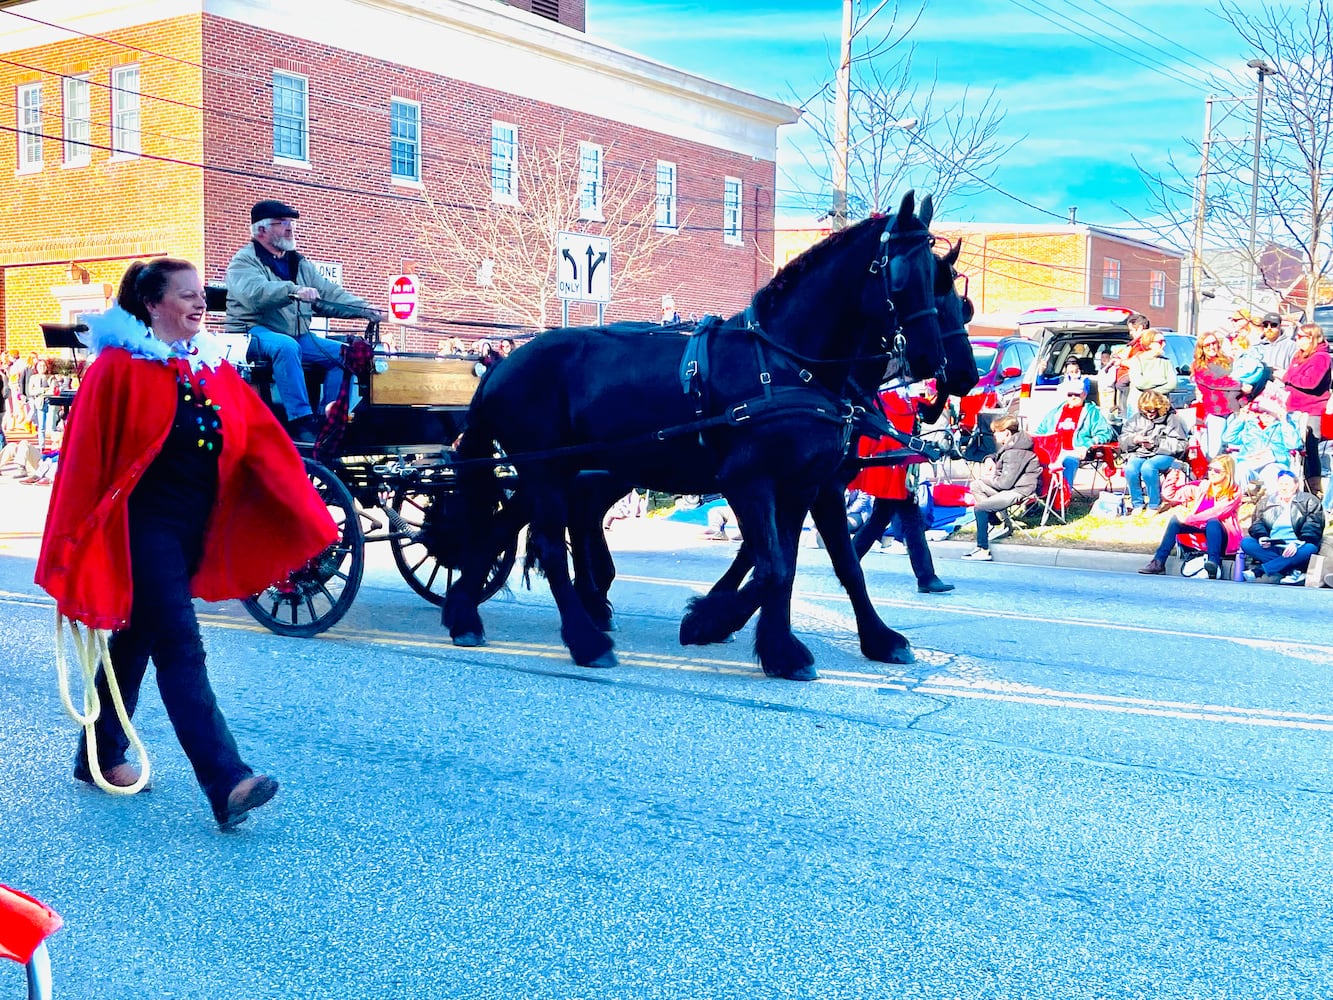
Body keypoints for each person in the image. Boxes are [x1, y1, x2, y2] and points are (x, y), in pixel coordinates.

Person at [36, 258, 339, 830]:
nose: (201, 304)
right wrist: (75, 542)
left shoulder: (210, 369)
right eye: (187, 296)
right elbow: (82, 461)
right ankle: (226, 779)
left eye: (203, 295)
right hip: (142, 528)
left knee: (139, 639)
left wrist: (302, 514)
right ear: (152, 304)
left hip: (195, 526)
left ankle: (97, 753)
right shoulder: (118, 368)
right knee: (180, 643)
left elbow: (263, 444)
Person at [225, 199, 382, 442]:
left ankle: (328, 417)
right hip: (251, 332)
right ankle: (300, 421)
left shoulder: (298, 263)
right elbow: (254, 293)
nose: (289, 228)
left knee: (344, 354)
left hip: (295, 335)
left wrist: (364, 309)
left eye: (290, 223)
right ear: (261, 230)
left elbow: (328, 294)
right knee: (286, 347)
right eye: (281, 223)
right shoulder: (243, 261)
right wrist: (292, 290)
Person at [847, 387, 953, 593]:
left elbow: (929, 416)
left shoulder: (906, 399)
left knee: (879, 521)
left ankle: (847, 561)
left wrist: (943, 391)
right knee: (911, 522)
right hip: (891, 467)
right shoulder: (884, 399)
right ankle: (926, 577)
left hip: (901, 465)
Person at [1138, 454, 1243, 579]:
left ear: (1227, 473)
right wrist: (1174, 473)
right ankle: (1158, 562)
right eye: (1210, 469)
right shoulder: (1202, 486)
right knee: (1175, 521)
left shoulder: (1234, 491)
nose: (1211, 473)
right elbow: (1171, 495)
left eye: (1217, 470)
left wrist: (1189, 519)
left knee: (1213, 521)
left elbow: (1218, 512)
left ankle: (1213, 563)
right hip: (1200, 527)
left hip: (1222, 533)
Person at [962, 415, 1041, 562]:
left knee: (980, 508)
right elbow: (999, 456)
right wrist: (989, 458)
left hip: (1019, 491)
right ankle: (1000, 524)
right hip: (1012, 487)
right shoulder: (1014, 444)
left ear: (1006, 432)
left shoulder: (1015, 452)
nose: (994, 435)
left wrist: (987, 478)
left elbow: (1005, 484)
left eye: (996, 431)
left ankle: (983, 549)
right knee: (976, 485)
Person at [1240, 469, 1324, 584]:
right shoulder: (1266, 502)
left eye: (1287, 484)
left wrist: (1296, 544)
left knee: (1310, 548)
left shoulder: (1309, 501)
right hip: (1273, 546)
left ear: (1296, 485)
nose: (1283, 488)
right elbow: (1257, 523)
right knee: (1247, 542)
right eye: (1281, 484)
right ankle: (1292, 571)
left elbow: (1313, 527)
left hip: (1298, 546)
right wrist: (1262, 537)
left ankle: (1259, 571)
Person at [1220, 375, 1302, 489]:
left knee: (1270, 472)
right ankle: (1241, 502)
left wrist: (1284, 421)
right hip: (1250, 462)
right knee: (1240, 470)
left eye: (1269, 412)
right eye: (1262, 411)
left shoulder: (1283, 426)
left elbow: (1294, 444)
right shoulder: (1250, 425)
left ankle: (1271, 504)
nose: (1265, 415)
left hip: (1275, 463)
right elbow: (1228, 438)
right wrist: (1240, 419)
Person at [1035, 379, 1116, 489]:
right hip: (1052, 451)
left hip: (1077, 450)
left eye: (1076, 394)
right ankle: (1040, 498)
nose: (1073, 397)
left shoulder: (1092, 412)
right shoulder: (1055, 411)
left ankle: (1063, 498)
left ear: (1084, 394)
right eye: (1070, 394)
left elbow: (1104, 433)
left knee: (1068, 461)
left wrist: (1088, 445)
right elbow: (1040, 431)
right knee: (1034, 461)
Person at [1119, 390, 1189, 513]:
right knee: (1130, 468)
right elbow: (1122, 441)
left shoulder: (1172, 419)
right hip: (1140, 452)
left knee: (1148, 467)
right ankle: (1137, 504)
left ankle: (1154, 504)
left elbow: (1181, 444)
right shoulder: (1136, 419)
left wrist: (1156, 444)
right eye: (1145, 411)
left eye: (1152, 411)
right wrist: (1134, 440)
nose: (1149, 414)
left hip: (1165, 454)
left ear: (1160, 408)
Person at [1281, 322, 1331, 496]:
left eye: (1301, 337)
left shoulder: (1322, 357)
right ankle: (1293, 484)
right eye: (1296, 336)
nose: (1297, 340)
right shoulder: (1298, 356)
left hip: (1312, 409)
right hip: (1293, 408)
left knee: (1310, 449)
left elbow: (1311, 382)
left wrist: (1288, 376)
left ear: (1312, 338)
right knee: (1293, 448)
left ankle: (1314, 488)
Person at [1192, 330, 1241, 458]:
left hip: (1233, 410)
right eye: (1207, 345)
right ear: (1201, 348)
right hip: (1215, 411)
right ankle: (1211, 474)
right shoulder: (1199, 366)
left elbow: (1240, 373)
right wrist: (1239, 385)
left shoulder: (1228, 360)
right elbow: (1215, 382)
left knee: (1233, 449)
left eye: (1214, 343)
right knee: (1214, 451)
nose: (1211, 347)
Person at [1125, 330, 1177, 415]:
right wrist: (1161, 380)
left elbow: (1172, 384)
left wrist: (1149, 392)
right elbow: (1140, 383)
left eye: (1164, 341)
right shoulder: (1137, 360)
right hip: (1137, 406)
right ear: (1149, 344)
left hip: (1160, 407)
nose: (1164, 345)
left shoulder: (1166, 362)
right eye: (1160, 342)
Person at [1258, 311, 1297, 384]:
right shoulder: (1257, 346)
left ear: (1280, 326)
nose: (1269, 328)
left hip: (1281, 389)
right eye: (1266, 325)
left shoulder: (1292, 346)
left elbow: (1296, 372)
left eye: (1273, 325)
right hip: (1259, 389)